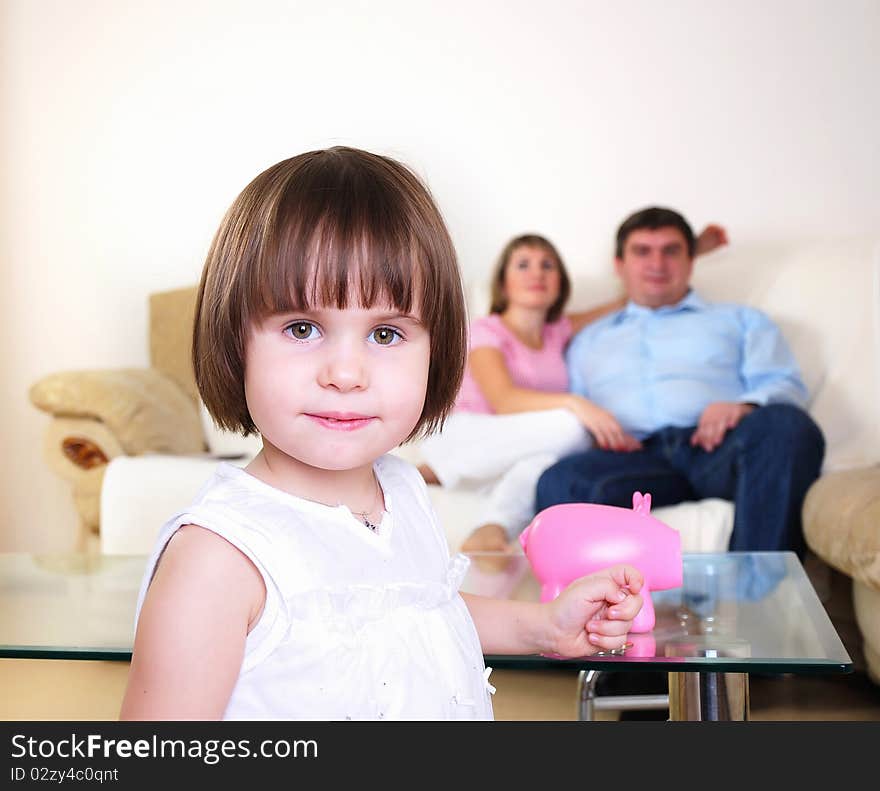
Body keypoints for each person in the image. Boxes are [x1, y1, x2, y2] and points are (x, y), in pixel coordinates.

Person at [118, 147, 644, 721]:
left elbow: (417, 613)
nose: (346, 374)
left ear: (437, 350)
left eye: (387, 334)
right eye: (302, 327)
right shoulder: (219, 557)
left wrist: (544, 626)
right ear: (232, 340)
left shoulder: (401, 492)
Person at [418, 226, 729, 556]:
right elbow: (504, 400)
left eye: (547, 265)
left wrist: (691, 249)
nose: (536, 273)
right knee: (573, 428)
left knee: (550, 464)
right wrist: (576, 404)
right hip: (465, 436)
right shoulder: (486, 331)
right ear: (503, 282)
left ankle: (493, 527)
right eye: (523, 265)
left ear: (560, 283)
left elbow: (628, 299)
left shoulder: (558, 332)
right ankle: (436, 471)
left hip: (522, 449)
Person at [535, 207, 825, 557]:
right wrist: (599, 435)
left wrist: (744, 406)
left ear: (690, 260)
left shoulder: (740, 319)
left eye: (671, 250)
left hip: (719, 451)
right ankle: (591, 610)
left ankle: (759, 601)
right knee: (560, 482)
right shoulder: (587, 340)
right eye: (642, 251)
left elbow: (785, 385)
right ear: (619, 265)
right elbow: (574, 414)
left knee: (788, 426)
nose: (657, 264)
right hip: (634, 460)